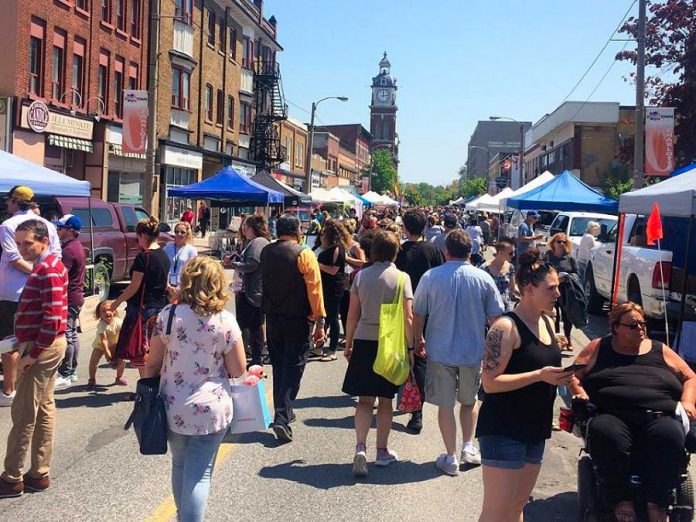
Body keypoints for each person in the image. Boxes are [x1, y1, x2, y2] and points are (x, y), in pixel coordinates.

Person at [569, 302, 696, 522]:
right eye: (633, 325)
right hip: (613, 414)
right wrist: (580, 393)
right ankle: (621, 500)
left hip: (657, 414)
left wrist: (688, 402)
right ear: (616, 327)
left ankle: (656, 502)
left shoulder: (659, 349)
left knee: (671, 436)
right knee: (605, 434)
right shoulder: (600, 347)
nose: (641, 329)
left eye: (642, 324)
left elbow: (690, 376)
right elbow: (572, 374)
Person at [144, 256, 246, 522]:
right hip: (211, 408)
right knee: (199, 472)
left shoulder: (167, 316)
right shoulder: (225, 321)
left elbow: (152, 362)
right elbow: (237, 369)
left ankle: (182, 515)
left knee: (180, 463)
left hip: (173, 405)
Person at [476, 249, 573, 522]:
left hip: (535, 427)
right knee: (496, 513)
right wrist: (539, 374)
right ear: (529, 289)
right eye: (551, 288)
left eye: (558, 287)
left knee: (518, 507)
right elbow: (490, 383)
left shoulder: (547, 320)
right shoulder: (505, 328)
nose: (557, 294)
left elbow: (544, 365)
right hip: (504, 429)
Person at [413, 229, 504, 475]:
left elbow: (418, 311)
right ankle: (468, 446)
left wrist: (418, 337)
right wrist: (494, 351)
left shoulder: (431, 277)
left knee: (445, 405)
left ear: (445, 251)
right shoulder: (483, 279)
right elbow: (496, 318)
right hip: (473, 351)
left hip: (439, 350)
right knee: (469, 401)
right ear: (471, 251)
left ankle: (451, 456)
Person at [0, 219, 68, 498]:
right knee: (43, 409)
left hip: (42, 346)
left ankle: (12, 476)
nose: (22, 248)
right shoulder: (47, 267)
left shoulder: (48, 270)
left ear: (43, 241)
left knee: (24, 413)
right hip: (42, 344)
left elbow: (53, 319)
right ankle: (38, 473)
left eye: (27, 243)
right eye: (18, 244)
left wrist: (32, 354)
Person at [342, 230, 414, 477]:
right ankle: (381, 451)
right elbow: (408, 317)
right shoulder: (403, 278)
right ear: (396, 252)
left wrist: (348, 342)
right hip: (390, 343)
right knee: (385, 401)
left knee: (364, 400)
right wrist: (411, 347)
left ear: (373, 252)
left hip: (364, 339)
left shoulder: (361, 277)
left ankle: (360, 446)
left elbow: (353, 315)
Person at [260, 214, 326, 442]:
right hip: (298, 318)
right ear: (297, 230)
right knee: (294, 366)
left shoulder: (266, 252)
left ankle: (284, 410)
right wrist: (320, 320)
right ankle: (281, 417)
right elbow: (315, 290)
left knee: (279, 365)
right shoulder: (304, 253)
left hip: (274, 316)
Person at [0, 186, 61, 407]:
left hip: (14, 291)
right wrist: (41, 272)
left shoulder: (7, 225)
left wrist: (37, 272)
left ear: (15, 202)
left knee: (10, 343)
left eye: (9, 201)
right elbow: (57, 255)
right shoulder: (47, 225)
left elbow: (14, 258)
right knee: (30, 340)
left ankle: (9, 390)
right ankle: (22, 387)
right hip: (37, 291)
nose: (7, 205)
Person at [395, 209, 445, 434]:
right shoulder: (433, 251)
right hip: (429, 310)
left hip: (401, 309)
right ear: (424, 227)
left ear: (405, 228)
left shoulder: (399, 251)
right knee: (420, 358)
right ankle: (417, 409)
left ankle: (405, 401)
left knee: (403, 354)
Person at [110, 217, 170, 376]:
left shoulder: (143, 257)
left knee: (141, 352)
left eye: (138, 237)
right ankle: (155, 385)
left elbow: (134, 286)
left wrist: (115, 303)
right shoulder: (164, 256)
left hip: (143, 310)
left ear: (143, 235)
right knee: (156, 349)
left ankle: (146, 387)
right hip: (160, 307)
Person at [225, 215, 270, 367]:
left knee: (245, 325)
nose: (243, 229)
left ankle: (244, 357)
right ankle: (255, 357)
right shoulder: (255, 242)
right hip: (251, 291)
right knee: (254, 326)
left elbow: (251, 265)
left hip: (250, 292)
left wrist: (233, 264)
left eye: (246, 226)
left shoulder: (257, 242)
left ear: (254, 228)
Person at [50, 215, 86, 390]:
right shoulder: (76, 246)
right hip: (76, 296)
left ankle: (67, 372)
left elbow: (61, 274)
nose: (58, 231)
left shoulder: (69, 250)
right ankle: (71, 371)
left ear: (70, 230)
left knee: (67, 335)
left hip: (70, 297)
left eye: (61, 228)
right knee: (72, 334)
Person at [315, 219, 350, 362]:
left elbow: (334, 270)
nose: (322, 234)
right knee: (327, 316)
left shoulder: (337, 248)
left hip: (334, 286)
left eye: (324, 232)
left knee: (334, 318)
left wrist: (317, 264)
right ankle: (320, 345)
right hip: (327, 286)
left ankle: (332, 350)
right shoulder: (330, 247)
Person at [545, 233, 580, 350]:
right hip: (550, 291)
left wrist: (567, 277)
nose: (561, 244)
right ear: (553, 243)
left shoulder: (569, 258)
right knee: (553, 315)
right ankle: (556, 340)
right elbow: (541, 272)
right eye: (558, 241)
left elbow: (577, 275)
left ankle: (568, 339)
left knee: (567, 317)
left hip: (566, 291)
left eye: (563, 242)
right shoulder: (548, 256)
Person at [339, 220, 366, 350]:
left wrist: (347, 258)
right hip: (343, 282)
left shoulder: (355, 245)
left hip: (353, 281)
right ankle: (346, 335)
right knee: (344, 310)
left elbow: (362, 261)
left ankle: (352, 336)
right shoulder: (340, 244)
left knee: (352, 310)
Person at [87, 300, 126, 389]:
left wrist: (121, 348)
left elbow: (123, 335)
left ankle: (119, 377)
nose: (107, 313)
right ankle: (92, 379)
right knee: (93, 360)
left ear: (114, 311)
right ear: (99, 315)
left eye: (109, 310)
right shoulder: (102, 324)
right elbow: (103, 340)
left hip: (114, 343)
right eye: (103, 311)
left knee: (122, 359)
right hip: (100, 345)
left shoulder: (118, 322)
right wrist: (107, 353)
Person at [480, 237, 519, 312]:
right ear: (500, 253)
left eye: (514, 252)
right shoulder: (484, 268)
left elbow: (512, 289)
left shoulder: (510, 267)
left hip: (506, 308)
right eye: (511, 253)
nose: (513, 255)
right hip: (489, 310)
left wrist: (524, 296)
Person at [164, 221, 198, 297]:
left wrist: (180, 288)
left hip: (183, 287)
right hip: (167, 286)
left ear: (187, 234)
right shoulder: (168, 247)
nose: (179, 234)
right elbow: (163, 267)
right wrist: (168, 286)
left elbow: (192, 271)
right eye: (177, 232)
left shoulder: (191, 250)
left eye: (182, 232)